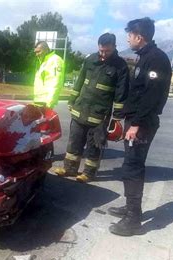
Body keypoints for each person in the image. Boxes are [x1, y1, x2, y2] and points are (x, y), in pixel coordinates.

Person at [108, 17, 172, 236]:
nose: (128, 39)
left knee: (133, 167)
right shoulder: (146, 57)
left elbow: (151, 96)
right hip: (136, 120)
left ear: (139, 37)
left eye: (130, 35)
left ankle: (133, 220)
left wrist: (135, 123)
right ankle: (131, 207)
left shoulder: (156, 59)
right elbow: (137, 93)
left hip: (142, 123)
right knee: (130, 165)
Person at [54, 33, 129, 183]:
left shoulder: (121, 66)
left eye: (106, 51)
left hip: (99, 115)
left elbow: (122, 92)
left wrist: (117, 116)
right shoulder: (90, 60)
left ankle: (89, 173)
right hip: (80, 109)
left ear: (114, 47)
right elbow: (80, 81)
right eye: (101, 50)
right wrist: (72, 99)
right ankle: (69, 168)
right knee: (74, 141)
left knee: (94, 145)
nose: (103, 54)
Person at [33, 41, 65, 108]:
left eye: (39, 51)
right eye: (35, 52)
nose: (36, 54)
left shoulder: (55, 60)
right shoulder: (43, 61)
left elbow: (56, 82)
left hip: (46, 102)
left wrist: (49, 103)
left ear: (46, 50)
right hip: (39, 100)